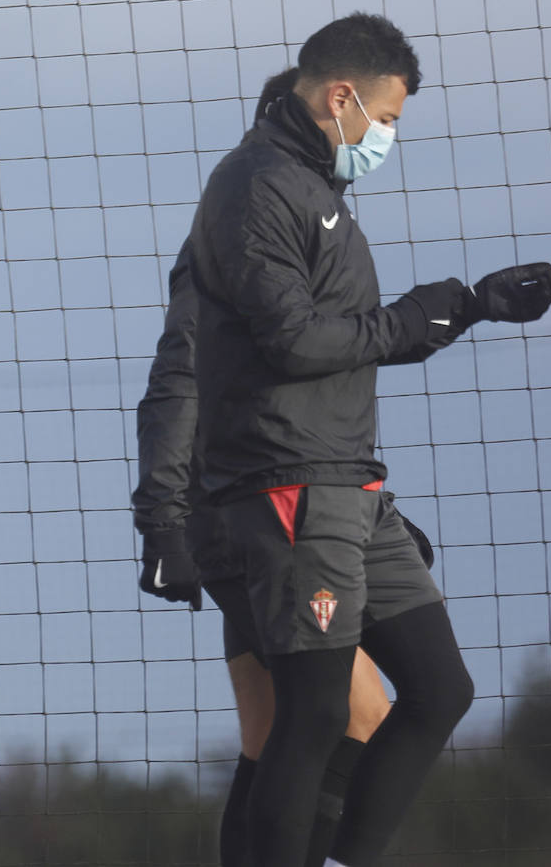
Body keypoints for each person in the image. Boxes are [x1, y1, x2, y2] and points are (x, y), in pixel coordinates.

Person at [186, 13, 551, 866]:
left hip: (351, 484)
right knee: (314, 715)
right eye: (386, 119)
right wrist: (414, 320)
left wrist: (469, 304)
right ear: (340, 96)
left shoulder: (322, 194)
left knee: (439, 689)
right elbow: (292, 341)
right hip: (287, 483)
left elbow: (349, 338)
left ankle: (349, 854)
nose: (388, 136)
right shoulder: (255, 186)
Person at [135, 67, 436, 867]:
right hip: (251, 515)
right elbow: (178, 376)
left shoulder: (304, 224)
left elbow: (307, 394)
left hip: (285, 498)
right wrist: (163, 517)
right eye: (377, 119)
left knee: (280, 730)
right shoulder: (237, 230)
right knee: (337, 717)